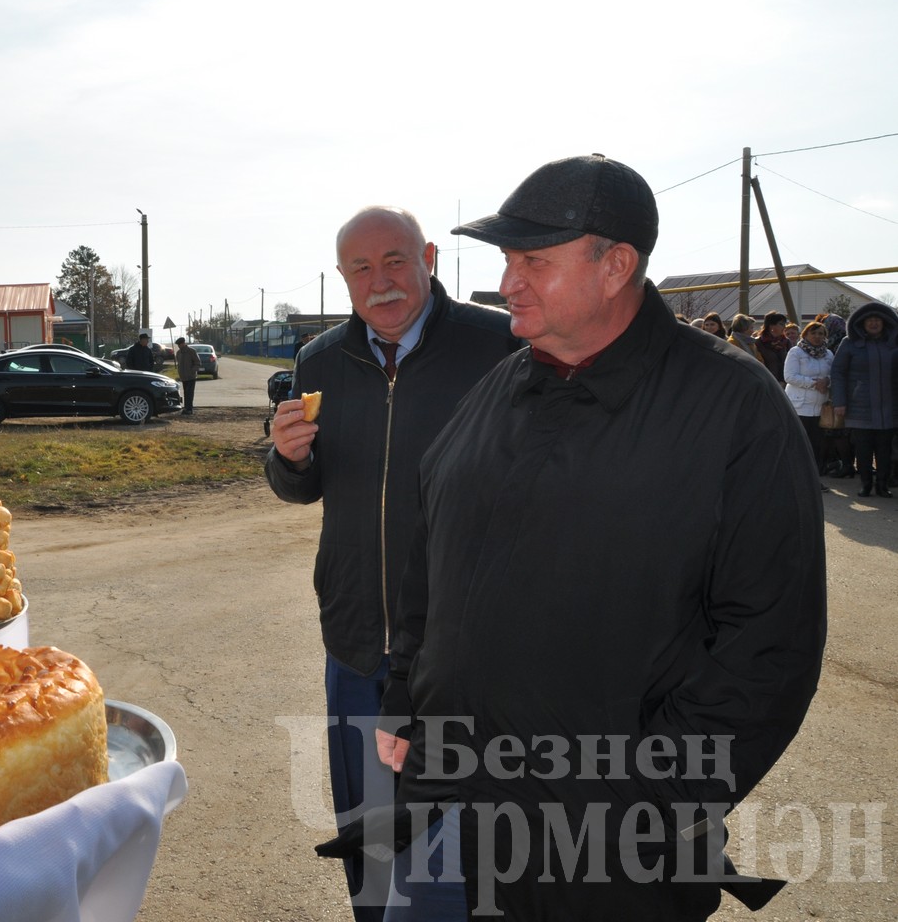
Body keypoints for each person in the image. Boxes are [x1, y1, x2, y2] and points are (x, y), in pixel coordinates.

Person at [376, 155, 825, 920]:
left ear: (615, 265)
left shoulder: (729, 406)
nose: (507, 281)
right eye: (506, 260)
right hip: (471, 808)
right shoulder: (501, 386)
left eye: (533, 261)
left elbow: (770, 641)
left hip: (618, 851)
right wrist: (407, 698)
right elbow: (431, 556)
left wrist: (649, 801)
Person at [265, 205, 519, 921]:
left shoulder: (496, 344)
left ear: (428, 257)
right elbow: (305, 485)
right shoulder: (319, 361)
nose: (380, 282)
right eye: (360, 268)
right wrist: (288, 458)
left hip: (455, 644)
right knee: (368, 827)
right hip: (353, 639)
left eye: (394, 260)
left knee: (448, 842)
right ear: (342, 277)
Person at [830, 301, 898, 498]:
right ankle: (866, 484)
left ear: (885, 323)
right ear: (862, 323)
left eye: (878, 320)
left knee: (885, 450)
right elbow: (838, 373)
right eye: (870, 320)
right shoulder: (849, 343)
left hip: (889, 407)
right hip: (860, 407)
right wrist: (839, 402)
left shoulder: (894, 343)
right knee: (864, 449)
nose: (874, 323)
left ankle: (882, 485)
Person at [784, 320, 835, 476]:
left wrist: (827, 381)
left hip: (820, 406)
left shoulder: (828, 354)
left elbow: (833, 374)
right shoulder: (796, 352)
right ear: (805, 334)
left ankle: (814, 477)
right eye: (813, 333)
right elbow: (790, 376)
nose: (817, 336)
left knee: (817, 445)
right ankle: (797, 475)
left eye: (821, 333)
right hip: (800, 405)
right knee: (800, 444)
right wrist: (814, 384)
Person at [755, 309, 790, 380]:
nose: (785, 327)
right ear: (771, 326)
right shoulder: (758, 342)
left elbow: (791, 364)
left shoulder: (786, 342)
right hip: (766, 382)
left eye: (785, 324)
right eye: (781, 324)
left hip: (785, 383)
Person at [174, 335, 199, 414]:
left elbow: (197, 363)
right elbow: (179, 364)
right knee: (185, 393)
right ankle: (186, 408)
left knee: (190, 393)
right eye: (178, 345)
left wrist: (192, 371)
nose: (179, 346)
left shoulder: (191, 351)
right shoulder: (178, 353)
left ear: (184, 343)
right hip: (183, 377)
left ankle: (189, 409)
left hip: (191, 377)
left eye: (180, 344)